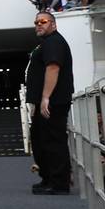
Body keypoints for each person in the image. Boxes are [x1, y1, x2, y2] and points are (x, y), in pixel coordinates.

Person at [27, 11, 73, 195]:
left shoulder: (54, 41)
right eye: (36, 22)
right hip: (45, 101)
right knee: (40, 140)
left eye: (43, 21)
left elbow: (53, 67)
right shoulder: (46, 43)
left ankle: (59, 183)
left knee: (54, 141)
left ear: (53, 24)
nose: (39, 24)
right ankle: (48, 178)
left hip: (54, 101)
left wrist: (46, 97)